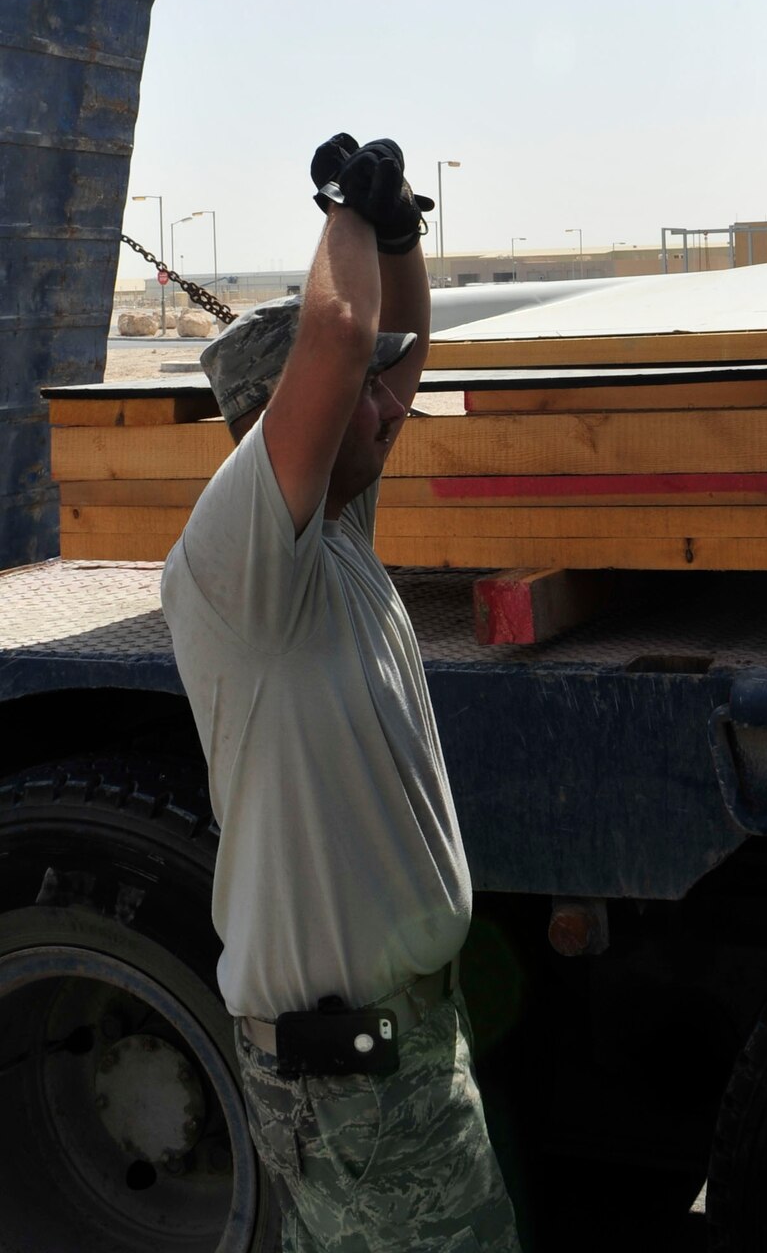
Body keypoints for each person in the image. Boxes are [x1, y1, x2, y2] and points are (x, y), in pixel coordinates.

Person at [161, 134, 521, 1252]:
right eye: (365, 397)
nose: (393, 405)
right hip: (353, 1076)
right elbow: (339, 331)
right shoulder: (239, 563)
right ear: (295, 418)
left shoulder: (335, 536)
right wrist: (343, 211)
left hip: (402, 1043)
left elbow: (384, 353)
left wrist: (399, 232)